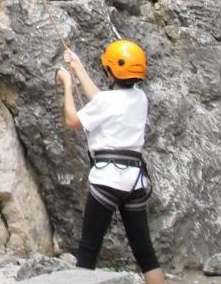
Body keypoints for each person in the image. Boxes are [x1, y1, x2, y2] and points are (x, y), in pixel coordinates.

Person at [56, 40, 164, 284]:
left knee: (89, 249)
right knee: (145, 253)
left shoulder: (108, 102)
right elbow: (103, 102)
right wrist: (79, 67)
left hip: (107, 180)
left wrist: (68, 86)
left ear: (110, 71)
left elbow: (74, 120)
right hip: (135, 182)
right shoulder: (140, 98)